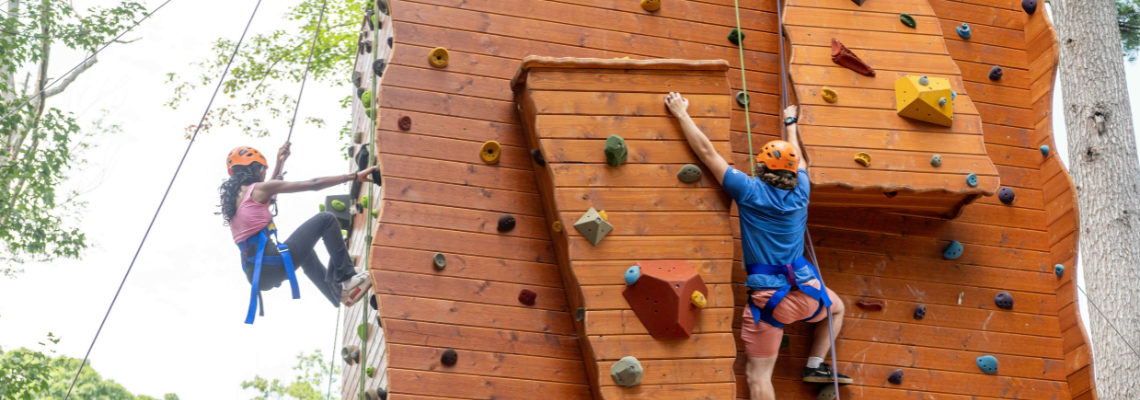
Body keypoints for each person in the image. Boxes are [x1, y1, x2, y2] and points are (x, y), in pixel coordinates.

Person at [664, 93, 852, 399]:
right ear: (792, 172)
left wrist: (680, 113)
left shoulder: (748, 189)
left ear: (761, 170)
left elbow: (706, 152)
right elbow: (801, 161)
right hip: (808, 294)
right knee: (837, 309)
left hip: (769, 304)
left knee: (758, 376)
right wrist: (790, 122)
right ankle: (816, 364)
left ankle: (811, 367)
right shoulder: (802, 189)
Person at [219, 142, 373, 317]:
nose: (263, 174)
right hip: (272, 264)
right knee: (326, 218)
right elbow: (314, 184)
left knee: (307, 253)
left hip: (256, 274)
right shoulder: (260, 189)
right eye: (261, 169)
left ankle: (337, 294)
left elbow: (269, 188)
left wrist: (280, 162)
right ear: (254, 169)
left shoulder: (229, 203)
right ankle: (348, 280)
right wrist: (354, 176)